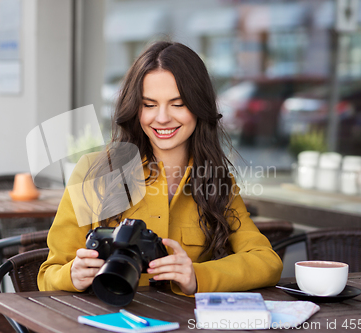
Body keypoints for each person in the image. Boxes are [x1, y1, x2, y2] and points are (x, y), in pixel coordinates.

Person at [38, 41, 283, 296]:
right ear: (135, 109)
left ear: (199, 107)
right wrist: (73, 275)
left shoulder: (216, 180)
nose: (163, 117)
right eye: (149, 104)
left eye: (178, 104)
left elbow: (267, 261)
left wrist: (196, 276)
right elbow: (48, 275)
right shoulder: (95, 172)